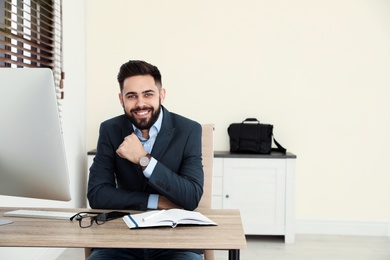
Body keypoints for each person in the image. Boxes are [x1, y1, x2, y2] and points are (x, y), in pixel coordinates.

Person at [87, 60, 204, 260]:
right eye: (131, 96)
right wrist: (156, 201)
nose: (140, 103)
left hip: (175, 242)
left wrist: (144, 159)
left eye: (148, 94)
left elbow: (191, 196)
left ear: (162, 95)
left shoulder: (189, 130)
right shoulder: (110, 130)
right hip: (121, 238)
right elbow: (97, 194)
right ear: (121, 99)